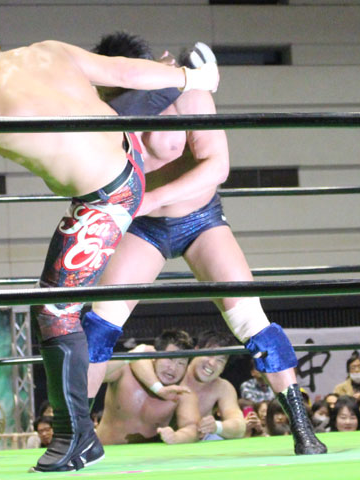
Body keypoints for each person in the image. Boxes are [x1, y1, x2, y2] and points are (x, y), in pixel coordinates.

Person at [0, 2, 218, 473]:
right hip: (127, 158)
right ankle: (179, 77)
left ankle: (75, 438)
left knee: (55, 310)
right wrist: (192, 80)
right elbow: (121, 69)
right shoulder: (47, 51)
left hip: (106, 201)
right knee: (107, 102)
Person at [83, 31, 326, 455]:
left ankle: (303, 429)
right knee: (98, 325)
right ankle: (75, 434)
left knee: (251, 319)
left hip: (200, 219)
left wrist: (151, 198)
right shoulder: (99, 111)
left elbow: (217, 166)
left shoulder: (188, 90)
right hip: (143, 228)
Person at [128, 329, 245, 440]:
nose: (212, 363)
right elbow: (138, 356)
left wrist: (217, 426)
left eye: (220, 360)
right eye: (209, 354)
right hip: (152, 438)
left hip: (195, 441)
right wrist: (157, 388)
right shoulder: (174, 373)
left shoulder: (223, 387)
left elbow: (239, 426)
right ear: (196, 350)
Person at [96, 330, 200, 445]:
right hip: (104, 450)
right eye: (169, 358)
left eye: (181, 363)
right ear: (155, 356)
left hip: (148, 455)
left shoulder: (182, 392)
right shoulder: (125, 371)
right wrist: (132, 355)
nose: (173, 368)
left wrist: (176, 437)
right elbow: (92, 375)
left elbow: (192, 429)